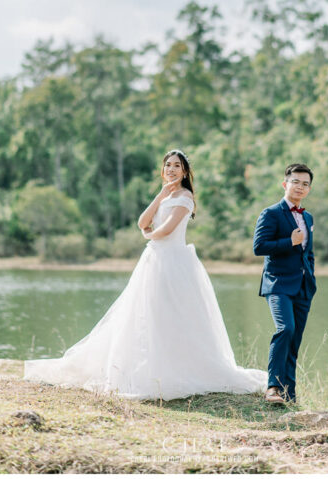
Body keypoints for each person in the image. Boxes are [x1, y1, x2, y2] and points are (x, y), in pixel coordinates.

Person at [24, 149, 266, 400]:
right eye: (168, 165)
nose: (171, 169)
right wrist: (160, 196)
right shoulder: (165, 195)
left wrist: (148, 236)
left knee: (171, 313)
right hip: (153, 260)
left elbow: (165, 229)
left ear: (184, 171)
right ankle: (141, 366)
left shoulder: (185, 197)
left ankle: (176, 368)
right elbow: (142, 221)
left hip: (172, 261)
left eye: (176, 166)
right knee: (142, 312)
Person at [253, 163, 316, 405]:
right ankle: (272, 388)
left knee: (295, 339)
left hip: (303, 286)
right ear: (285, 184)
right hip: (278, 283)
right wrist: (288, 241)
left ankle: (290, 394)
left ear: (309, 188)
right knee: (285, 329)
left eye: (306, 183)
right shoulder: (270, 213)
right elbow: (259, 247)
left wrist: (311, 277)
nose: (300, 187)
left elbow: (308, 252)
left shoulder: (307, 216)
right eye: (296, 182)